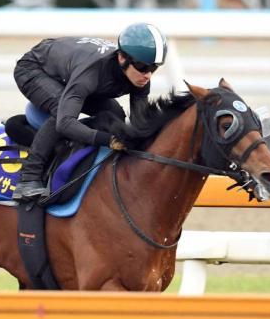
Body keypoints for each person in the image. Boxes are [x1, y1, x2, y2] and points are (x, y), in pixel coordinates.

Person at [10, 22, 168, 201]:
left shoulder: (140, 78)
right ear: (122, 58)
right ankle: (28, 178)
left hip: (71, 70)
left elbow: (140, 124)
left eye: (153, 68)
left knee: (115, 115)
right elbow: (65, 122)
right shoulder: (92, 72)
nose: (147, 75)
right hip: (34, 69)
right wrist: (108, 140)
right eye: (142, 67)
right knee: (61, 109)